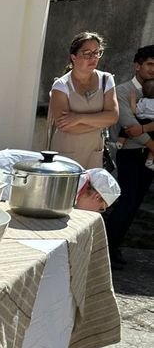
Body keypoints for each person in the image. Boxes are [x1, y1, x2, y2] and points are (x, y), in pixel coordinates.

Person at [105, 44, 154, 268]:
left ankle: (114, 248)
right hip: (129, 155)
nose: (153, 70)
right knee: (125, 202)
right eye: (150, 64)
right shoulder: (123, 91)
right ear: (137, 66)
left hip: (148, 156)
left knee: (134, 205)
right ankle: (104, 251)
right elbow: (130, 126)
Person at [48, 31, 119, 169]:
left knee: (90, 190)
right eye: (87, 53)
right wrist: (101, 122)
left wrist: (78, 118)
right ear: (73, 57)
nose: (93, 58)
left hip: (94, 153)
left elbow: (114, 117)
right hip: (65, 153)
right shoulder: (61, 85)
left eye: (97, 52)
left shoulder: (106, 80)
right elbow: (66, 126)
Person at [114, 77, 154, 169]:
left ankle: (119, 142)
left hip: (141, 120)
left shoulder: (143, 101)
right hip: (150, 125)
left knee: (128, 127)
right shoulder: (121, 90)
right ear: (137, 66)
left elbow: (134, 111)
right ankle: (150, 161)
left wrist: (132, 99)